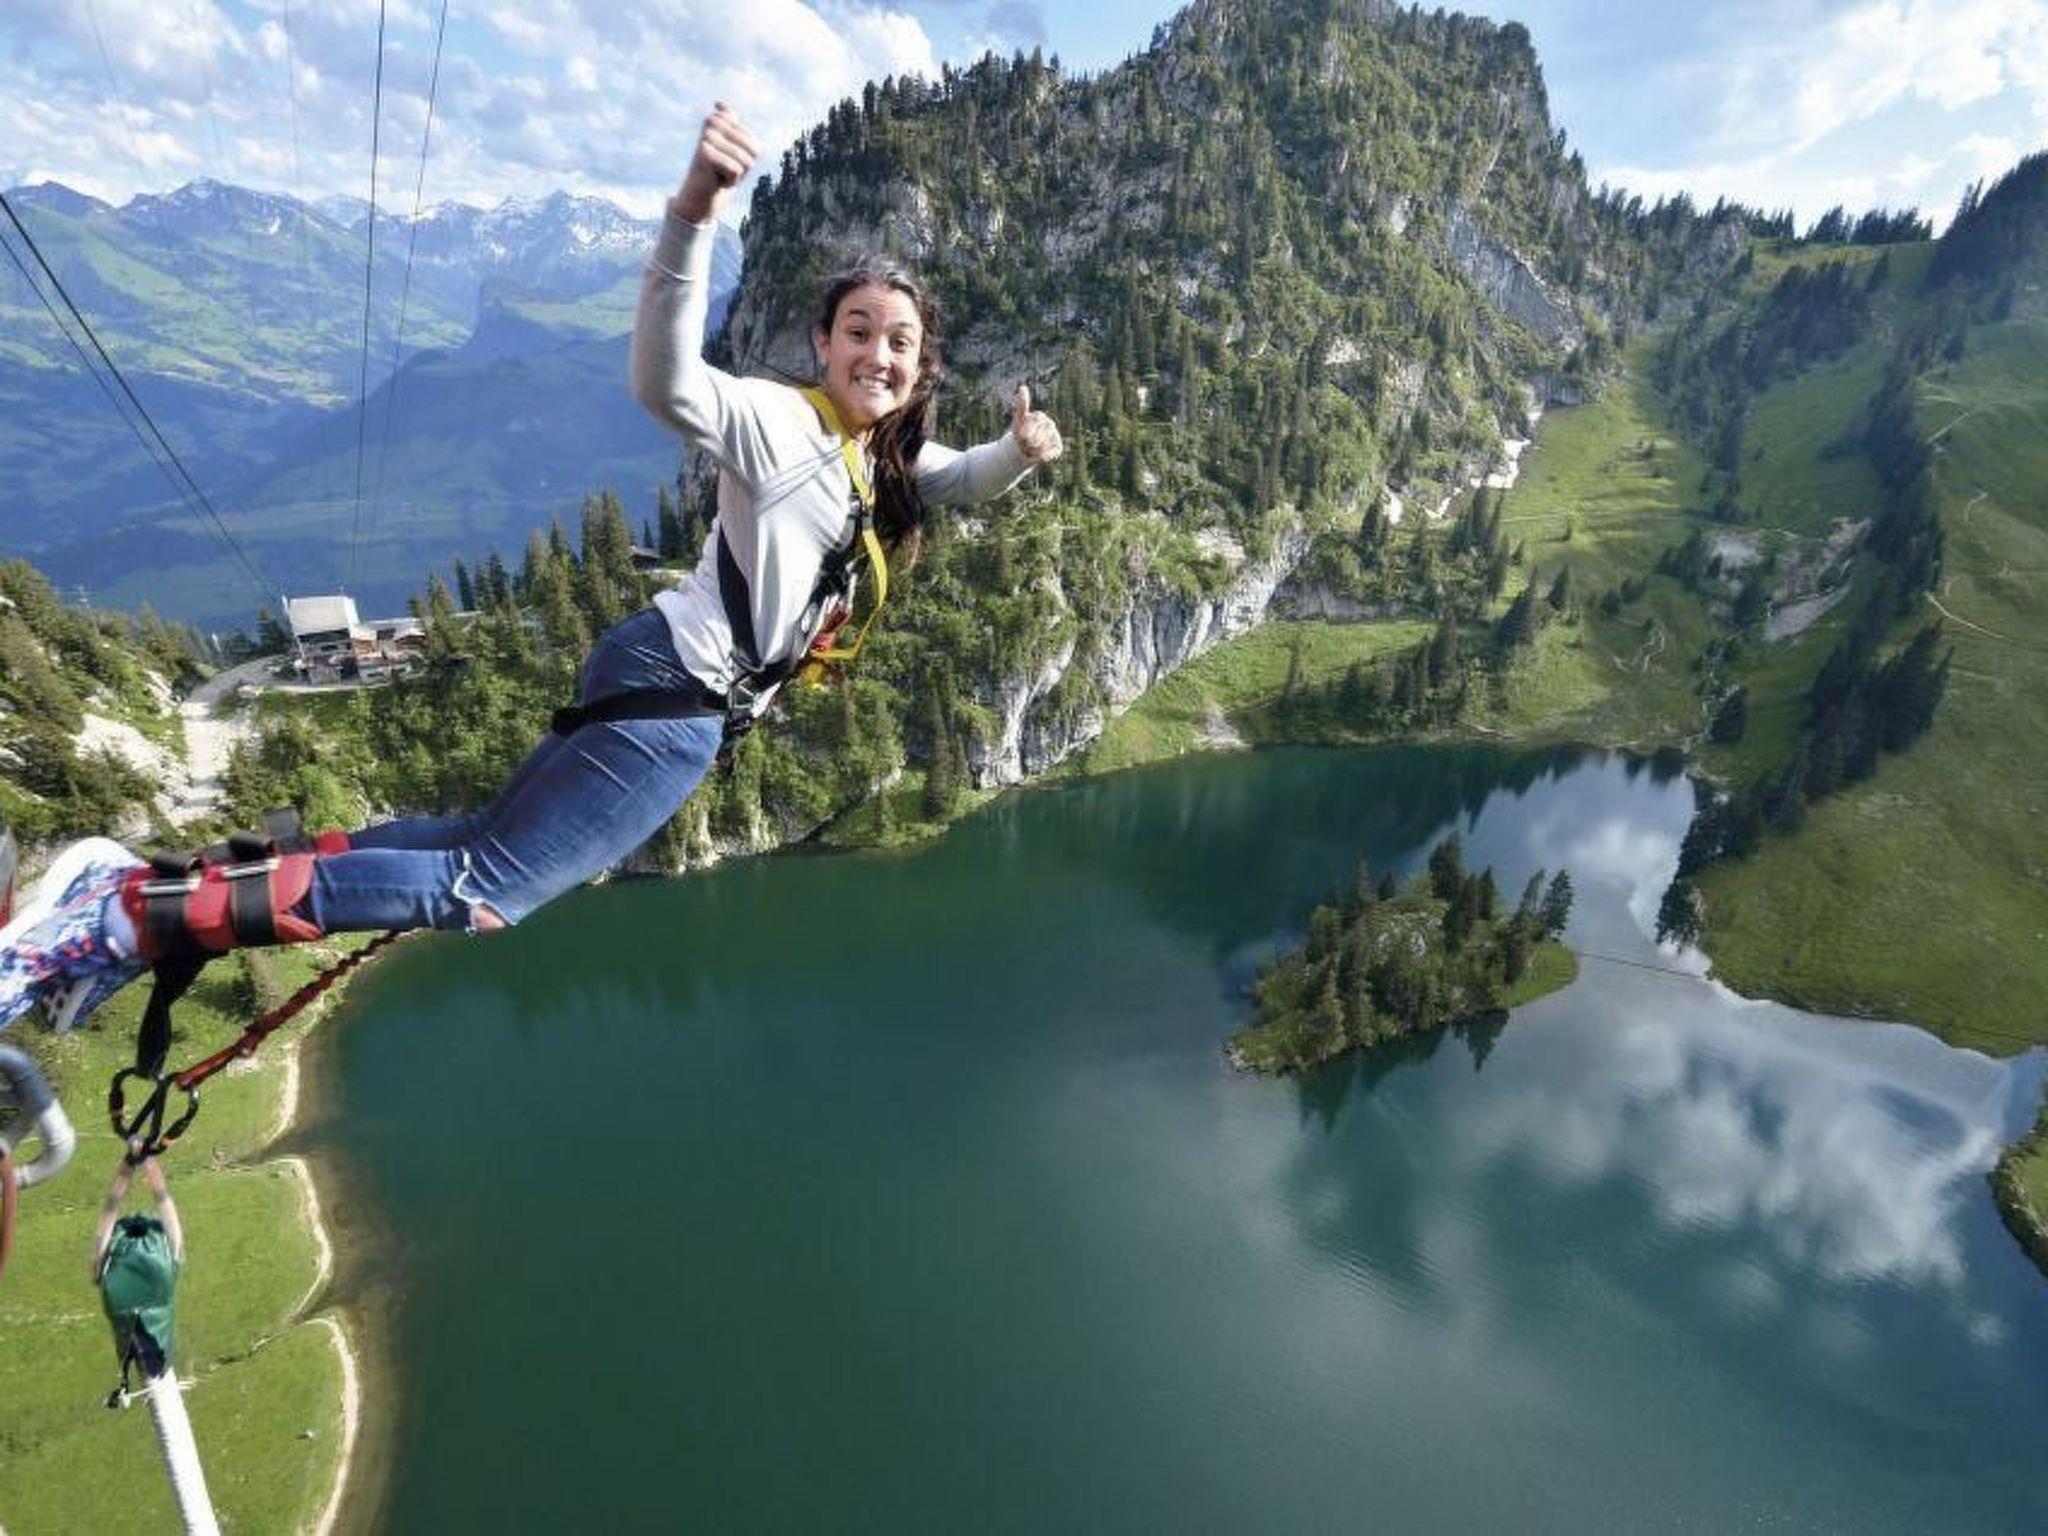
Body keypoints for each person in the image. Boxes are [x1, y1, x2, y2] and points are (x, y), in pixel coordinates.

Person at [0, 102, 1063, 1035]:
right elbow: (665, 382)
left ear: (920, 365)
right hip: (677, 700)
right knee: (487, 887)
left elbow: (959, 479)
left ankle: (164, 885)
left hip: (661, 671)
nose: (878, 354)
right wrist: (693, 210)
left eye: (899, 342)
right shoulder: (780, 422)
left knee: (474, 841)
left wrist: (1017, 452)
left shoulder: (880, 456)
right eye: (858, 332)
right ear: (822, 343)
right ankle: (123, 919)